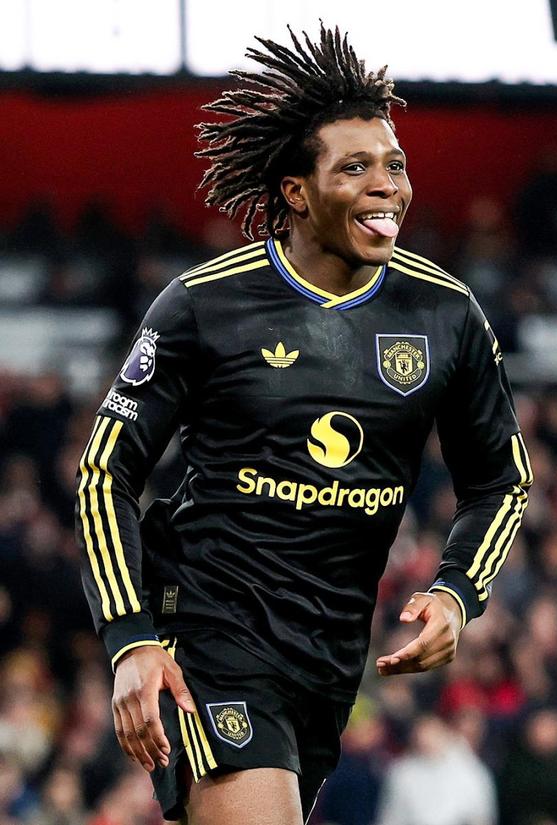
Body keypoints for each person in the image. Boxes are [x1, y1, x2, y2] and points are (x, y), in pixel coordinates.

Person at [75, 23, 533, 825]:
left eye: (394, 164)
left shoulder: (446, 314)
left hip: (330, 655)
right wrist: (129, 636)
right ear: (296, 191)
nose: (386, 185)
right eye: (354, 167)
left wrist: (458, 592)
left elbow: (500, 481)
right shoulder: (204, 305)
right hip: (210, 626)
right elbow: (104, 472)